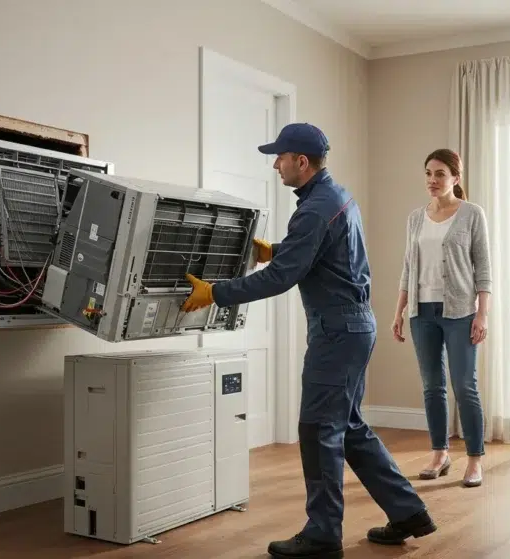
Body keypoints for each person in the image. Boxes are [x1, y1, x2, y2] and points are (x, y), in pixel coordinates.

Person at [182, 123, 436, 559]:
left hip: (337, 331)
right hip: (353, 327)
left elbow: (284, 278)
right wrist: (277, 248)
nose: (275, 164)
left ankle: (322, 534)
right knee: (348, 427)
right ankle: (408, 511)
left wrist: (215, 292)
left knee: (319, 429)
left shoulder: (315, 208)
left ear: (302, 161)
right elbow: (319, 251)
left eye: (280, 157)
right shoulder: (334, 198)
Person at [391, 148, 491, 488]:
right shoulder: (416, 218)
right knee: (432, 387)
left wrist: (483, 314)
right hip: (423, 311)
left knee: (465, 386)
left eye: (440, 174)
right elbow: (408, 267)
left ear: (455, 179)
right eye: (429, 174)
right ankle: (440, 453)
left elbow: (484, 270)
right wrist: (400, 310)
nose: (432, 180)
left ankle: (475, 459)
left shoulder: (472, 214)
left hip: (461, 311)